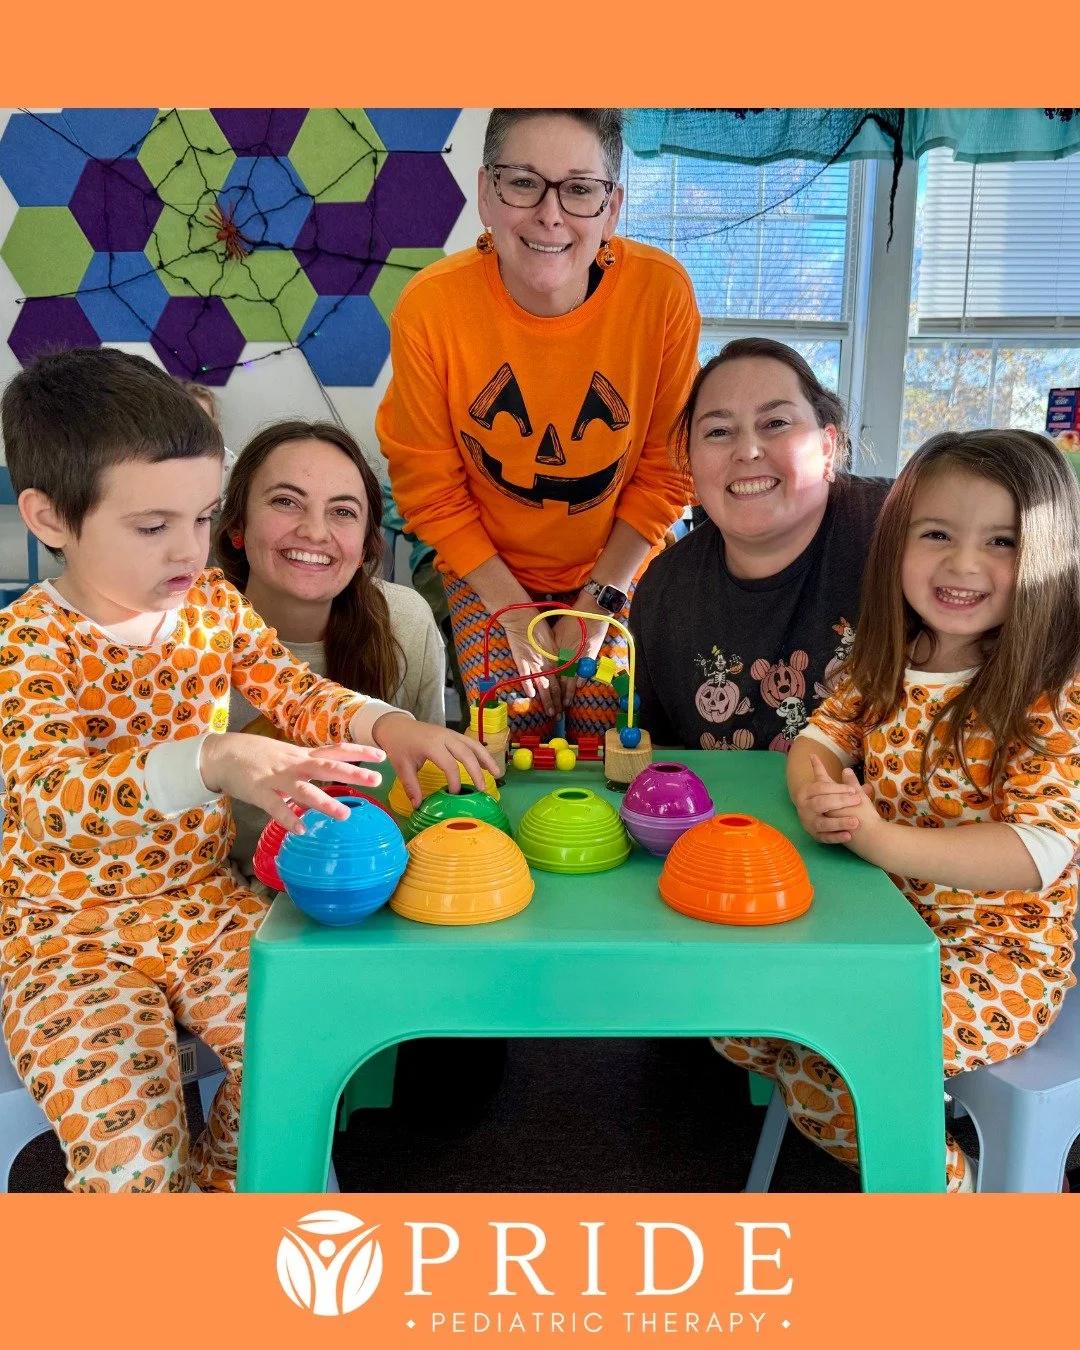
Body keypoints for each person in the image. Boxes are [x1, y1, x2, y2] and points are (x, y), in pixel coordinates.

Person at [0, 348, 495, 1193]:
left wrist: (386, 721)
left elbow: (293, 689)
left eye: (202, 518)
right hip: (66, 935)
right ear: (50, 518)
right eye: (152, 527)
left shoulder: (212, 607)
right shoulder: (27, 645)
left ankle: (219, 1190)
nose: (188, 551)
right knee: (132, 1161)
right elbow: (51, 798)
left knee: (309, 1045)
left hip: (202, 904)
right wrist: (212, 759)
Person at [718, 429, 1080, 1192]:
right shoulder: (889, 655)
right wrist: (817, 792)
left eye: (1003, 542)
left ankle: (956, 1198)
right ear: (896, 546)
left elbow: (1038, 851)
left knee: (834, 1056)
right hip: (880, 921)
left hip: (994, 960)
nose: (963, 564)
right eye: (937, 534)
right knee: (738, 1011)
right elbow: (819, 741)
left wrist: (880, 840)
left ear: (1051, 554)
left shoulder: (1052, 691)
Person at [376, 108, 700, 741]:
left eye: (579, 189)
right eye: (523, 182)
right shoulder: (431, 309)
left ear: (611, 208)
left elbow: (667, 473)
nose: (551, 215)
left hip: (617, 561)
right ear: (485, 194)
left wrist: (596, 603)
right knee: (511, 727)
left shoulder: (661, 297)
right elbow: (427, 487)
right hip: (485, 564)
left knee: (605, 731)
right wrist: (510, 608)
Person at [630, 339, 891, 752]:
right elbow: (661, 760)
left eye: (776, 423)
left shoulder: (903, 531)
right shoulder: (663, 593)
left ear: (827, 446)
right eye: (718, 431)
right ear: (691, 463)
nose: (748, 451)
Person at [215, 420, 448, 881]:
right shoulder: (183, 637)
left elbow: (427, 799)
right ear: (237, 526)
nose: (315, 531)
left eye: (342, 511)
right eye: (286, 502)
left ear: (364, 546)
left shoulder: (405, 622)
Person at [380, 479, 468, 730]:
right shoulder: (426, 467)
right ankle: (477, 732)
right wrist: (432, 516)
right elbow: (386, 499)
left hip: (513, 563)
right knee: (469, 634)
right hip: (440, 558)